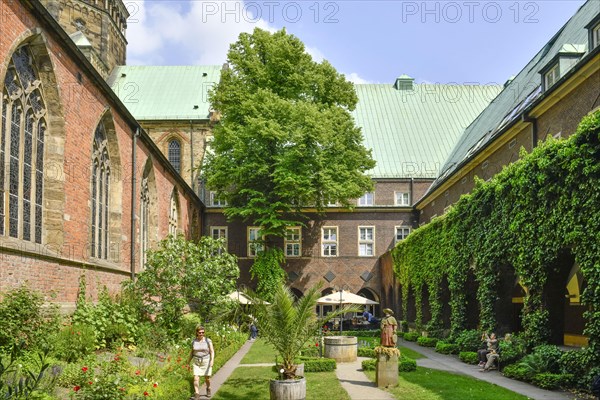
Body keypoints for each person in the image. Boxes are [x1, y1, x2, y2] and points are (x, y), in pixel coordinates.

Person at [188, 325, 215, 399]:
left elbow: (212, 351)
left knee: (207, 378)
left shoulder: (208, 340)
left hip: (206, 361)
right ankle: (197, 393)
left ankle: (208, 388)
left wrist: (212, 360)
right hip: (196, 361)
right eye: (200, 332)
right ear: (197, 332)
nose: (201, 334)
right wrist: (188, 362)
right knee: (196, 378)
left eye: (203, 332)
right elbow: (192, 353)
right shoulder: (194, 341)